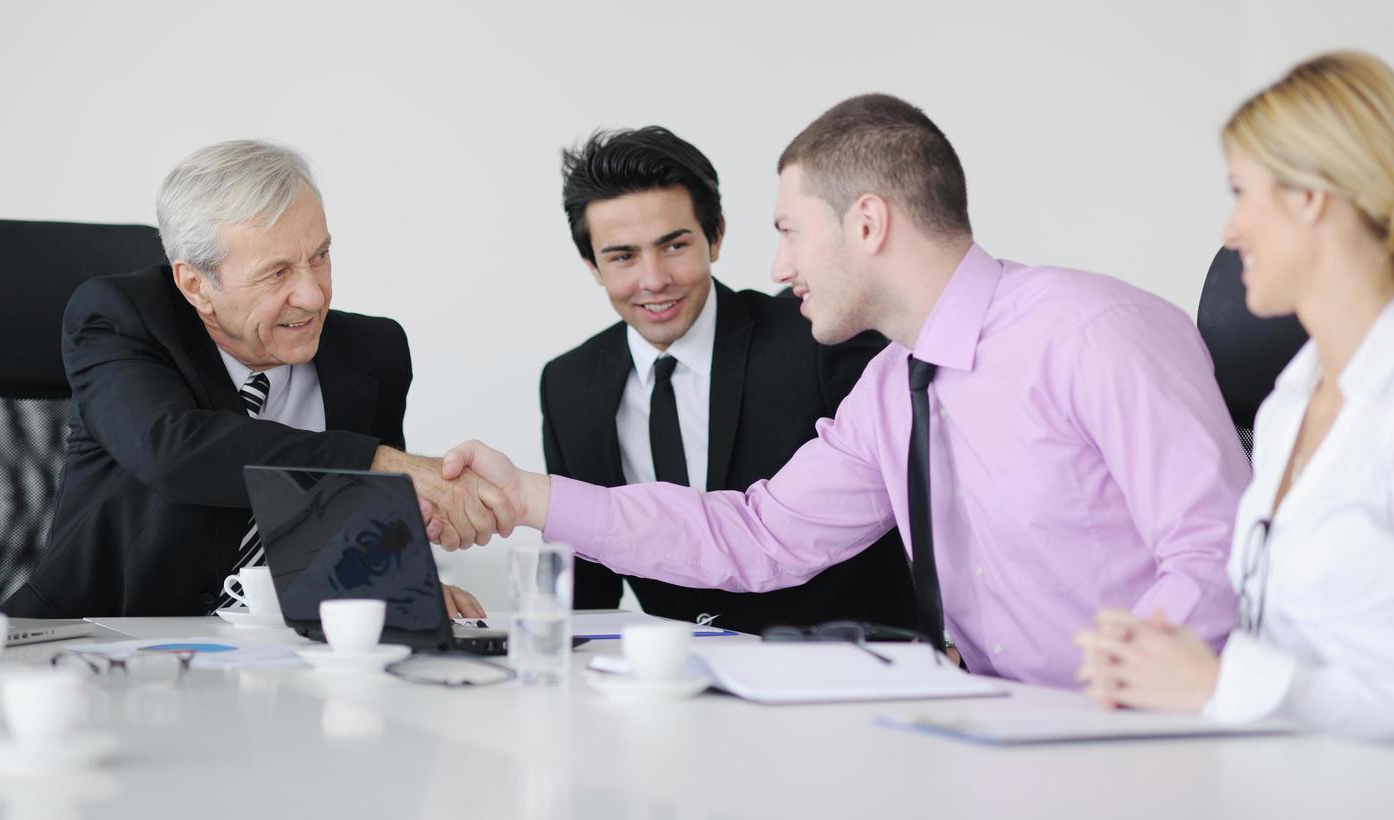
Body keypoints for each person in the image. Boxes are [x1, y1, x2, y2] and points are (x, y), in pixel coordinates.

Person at [440, 94, 1250, 688]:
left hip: (1130, 740)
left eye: (790, 232)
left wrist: (1104, 695)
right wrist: (530, 497)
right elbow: (755, 536)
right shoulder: (894, 386)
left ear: (866, 225)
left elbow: (1216, 557)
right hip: (990, 732)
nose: (777, 268)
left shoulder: (1093, 330)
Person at [4, 140, 488, 619]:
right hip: (98, 646)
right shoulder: (122, 320)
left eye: (319, 256)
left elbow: (358, 533)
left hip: (278, 656)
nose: (314, 295)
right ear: (196, 285)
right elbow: (175, 452)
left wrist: (401, 581)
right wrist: (375, 463)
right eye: (277, 273)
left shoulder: (372, 353)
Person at [1073, 51, 1394, 740]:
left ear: (1311, 195)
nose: (1229, 230)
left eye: (1242, 192)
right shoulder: (1286, 408)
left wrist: (1221, 684)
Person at [542, 126, 915, 634]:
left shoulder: (818, 337)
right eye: (623, 256)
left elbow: (921, 504)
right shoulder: (568, 384)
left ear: (715, 236)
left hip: (836, 670)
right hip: (672, 680)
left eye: (673, 246)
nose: (653, 280)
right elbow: (586, 588)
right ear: (592, 264)